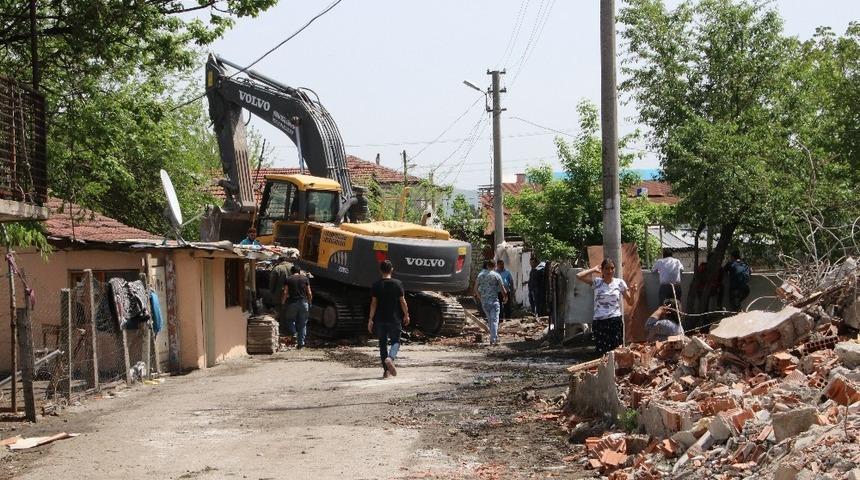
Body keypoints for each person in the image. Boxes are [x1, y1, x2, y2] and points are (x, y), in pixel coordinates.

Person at [576, 258, 638, 354]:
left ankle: (616, 369)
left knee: (617, 350)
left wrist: (633, 293)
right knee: (602, 351)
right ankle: (603, 368)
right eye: (607, 268)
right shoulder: (597, 282)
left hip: (615, 320)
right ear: (602, 270)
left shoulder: (620, 283)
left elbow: (630, 302)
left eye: (612, 268)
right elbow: (579, 276)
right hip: (600, 321)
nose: (610, 271)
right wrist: (593, 269)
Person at [368, 260, 410, 379]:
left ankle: (386, 372)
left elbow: (373, 304)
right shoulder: (398, 284)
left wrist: (370, 319)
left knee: (382, 344)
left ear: (380, 270)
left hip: (380, 319)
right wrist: (406, 314)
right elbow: (402, 302)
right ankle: (390, 358)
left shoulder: (376, 285)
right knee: (396, 341)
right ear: (392, 269)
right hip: (394, 319)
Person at [474, 259, 507, 346]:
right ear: (495, 266)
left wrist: (480, 297)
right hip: (494, 301)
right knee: (495, 320)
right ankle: (493, 339)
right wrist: (505, 297)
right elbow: (503, 289)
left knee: (490, 320)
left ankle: (494, 337)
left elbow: (475, 288)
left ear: (487, 265)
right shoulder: (497, 275)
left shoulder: (480, 275)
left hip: (484, 302)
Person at [283, 265, 312, 349]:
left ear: (291, 272)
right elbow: (309, 292)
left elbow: (285, 292)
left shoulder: (288, 279)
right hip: (304, 303)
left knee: (289, 320)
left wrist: (283, 302)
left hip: (292, 303)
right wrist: (309, 302)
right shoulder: (305, 279)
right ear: (299, 271)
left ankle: (294, 333)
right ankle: (301, 343)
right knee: (303, 324)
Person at [268, 258, 293, 335]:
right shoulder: (292, 267)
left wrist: (272, 292)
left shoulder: (277, 268)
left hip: (279, 295)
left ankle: (282, 330)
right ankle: (290, 330)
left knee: (281, 313)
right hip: (291, 295)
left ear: (279, 260)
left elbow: (272, 282)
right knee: (289, 313)